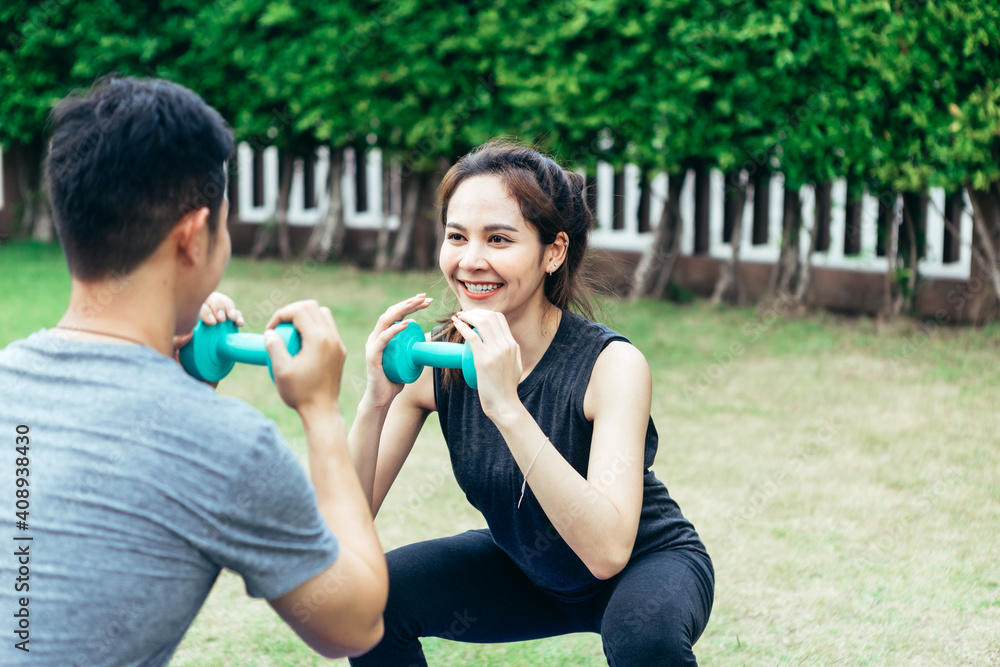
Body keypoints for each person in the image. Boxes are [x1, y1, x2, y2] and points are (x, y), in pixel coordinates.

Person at [0, 77, 387, 666]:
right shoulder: (230, 446)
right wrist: (320, 410)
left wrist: (179, 387)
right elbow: (353, 625)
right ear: (192, 236)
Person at [347, 140, 714, 666]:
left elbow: (608, 552)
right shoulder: (437, 362)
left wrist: (507, 407)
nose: (471, 260)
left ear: (553, 251)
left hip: (644, 564)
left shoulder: (611, 366)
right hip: (528, 567)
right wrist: (375, 403)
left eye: (499, 239)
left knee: (642, 637)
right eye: (457, 236)